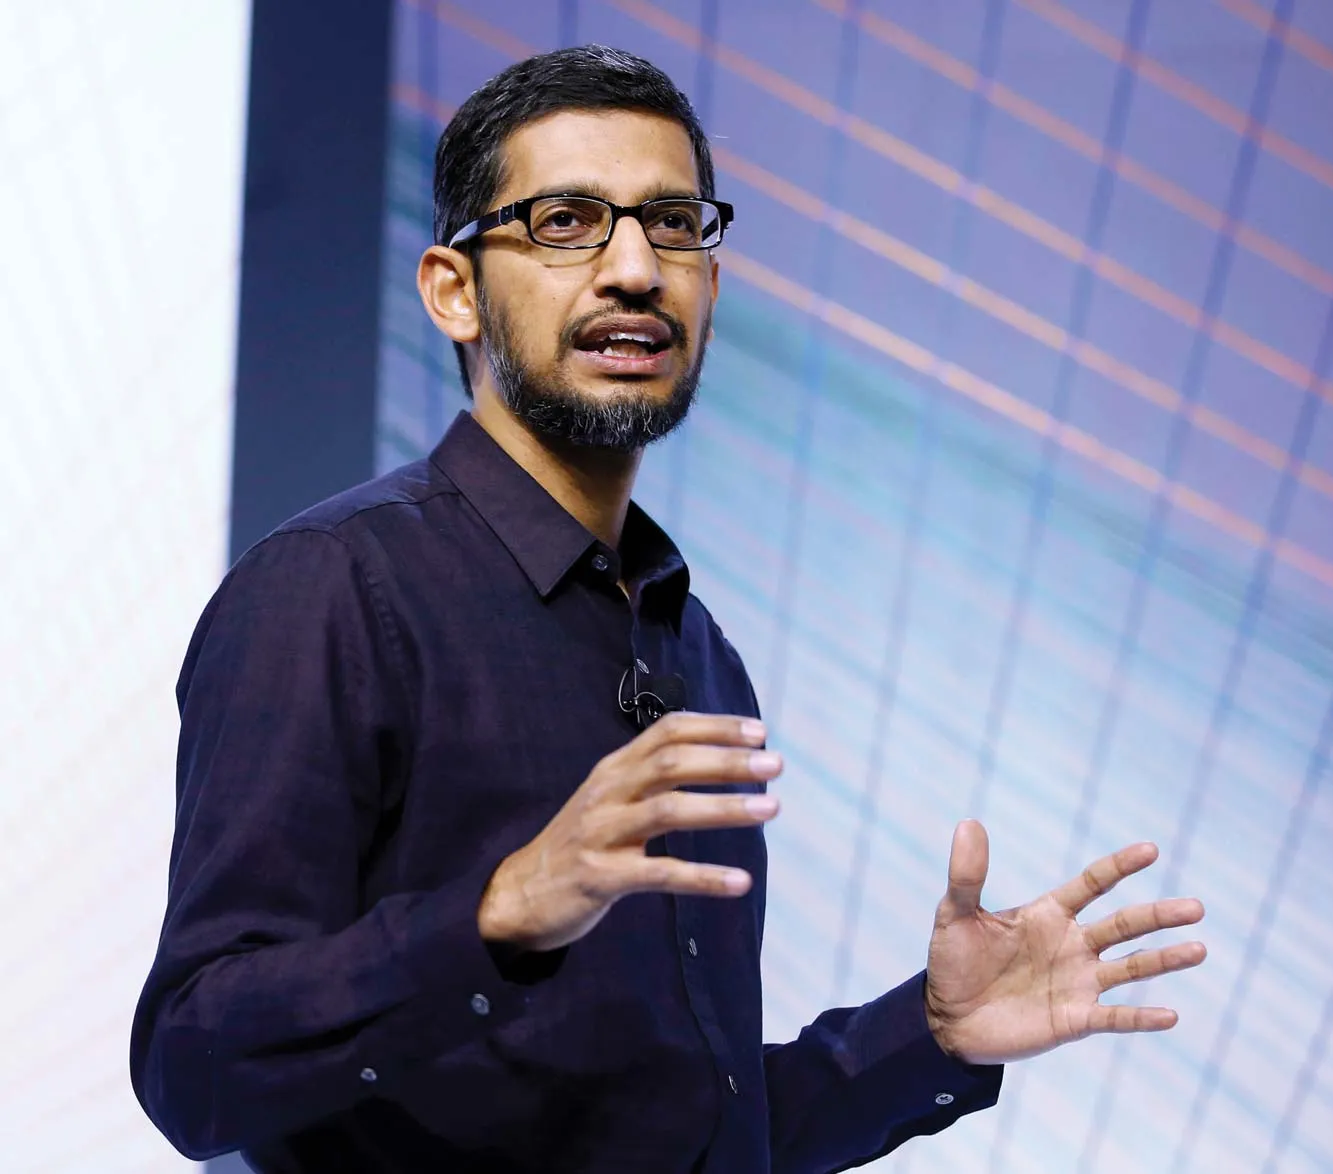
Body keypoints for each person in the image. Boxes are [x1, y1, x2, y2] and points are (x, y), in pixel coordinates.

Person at [131, 44, 1207, 1174]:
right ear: (455, 291)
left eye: (676, 224)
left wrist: (927, 1036)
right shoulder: (333, 588)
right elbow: (194, 1066)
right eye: (564, 222)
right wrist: (497, 913)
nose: (635, 268)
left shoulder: (697, 652)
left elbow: (680, 1137)